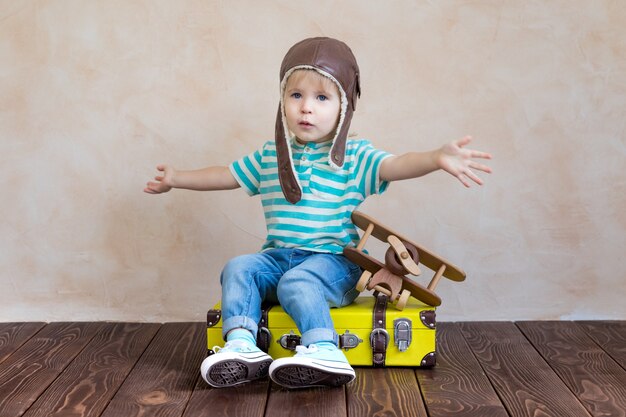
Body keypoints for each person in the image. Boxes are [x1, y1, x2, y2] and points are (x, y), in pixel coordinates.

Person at [144, 37, 492, 389]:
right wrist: (177, 178)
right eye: (296, 95)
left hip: (334, 262)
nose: (306, 108)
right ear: (282, 101)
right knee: (239, 267)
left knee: (300, 281)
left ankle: (325, 349)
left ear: (343, 106)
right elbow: (225, 175)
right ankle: (241, 346)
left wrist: (435, 158)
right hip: (279, 257)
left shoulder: (355, 157)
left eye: (321, 97)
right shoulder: (270, 156)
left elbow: (396, 165)